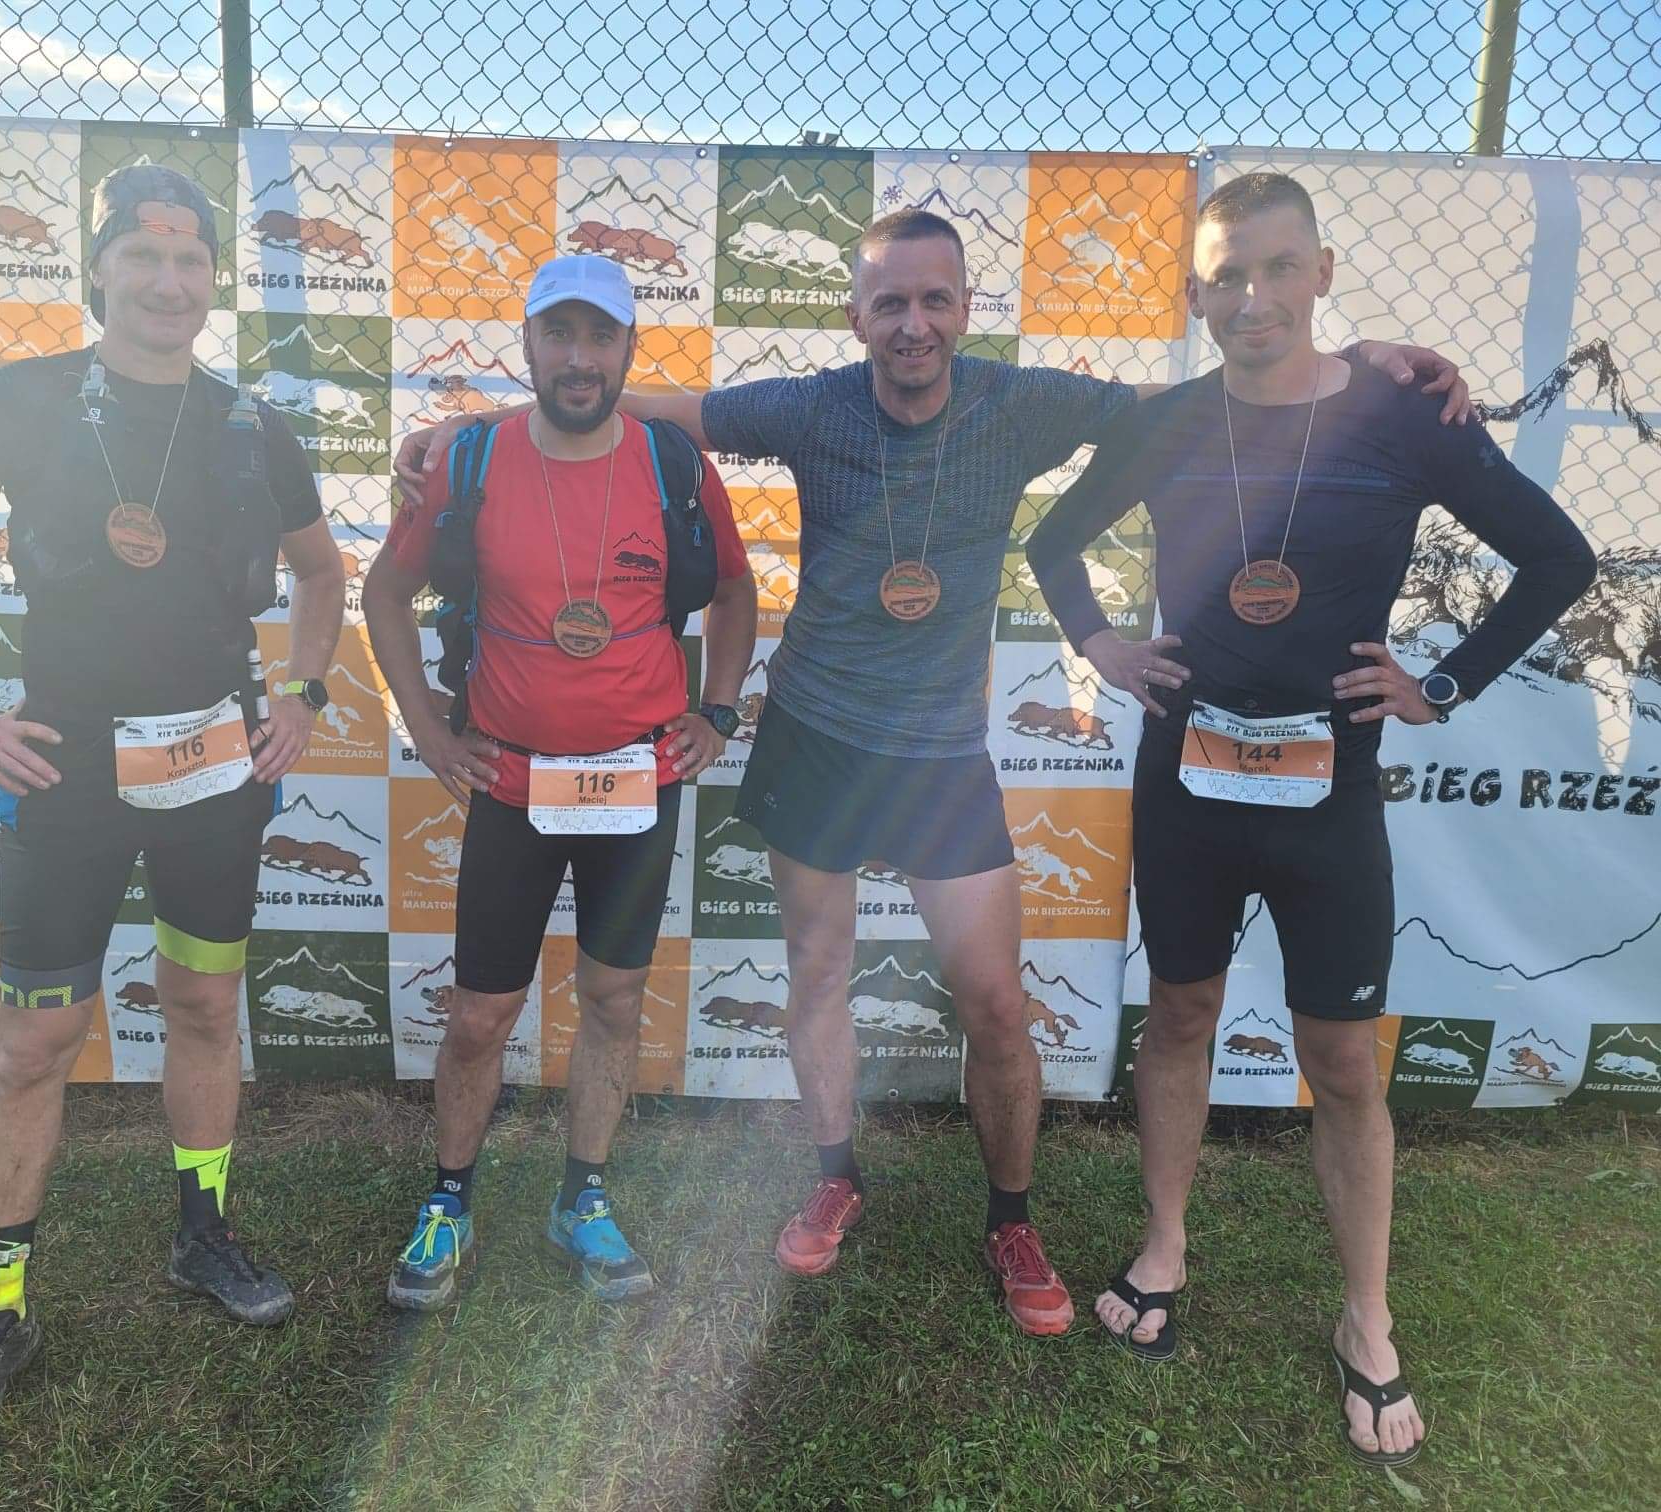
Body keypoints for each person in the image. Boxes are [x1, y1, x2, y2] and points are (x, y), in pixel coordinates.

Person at [397, 208, 1472, 1336]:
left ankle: (1011, 1217)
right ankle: (835, 1175)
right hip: (815, 734)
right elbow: (655, 406)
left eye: (934, 300)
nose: (913, 323)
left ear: (965, 308)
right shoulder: (813, 405)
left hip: (943, 754)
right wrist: (480, 421)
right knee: (818, 974)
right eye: (890, 303)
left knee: (998, 1004)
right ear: (856, 315)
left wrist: (1356, 364)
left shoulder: (1021, 403)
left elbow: (1188, 398)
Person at [1026, 172, 1595, 1465]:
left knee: (1341, 1060)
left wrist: (1443, 683)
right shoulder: (1166, 422)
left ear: (1324, 273)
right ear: (1196, 294)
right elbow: (1055, 543)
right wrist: (1102, 643)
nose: (1254, 298)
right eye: (1227, 275)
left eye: (1280, 267)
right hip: (1186, 780)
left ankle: (1367, 1316)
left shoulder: (1402, 413)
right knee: (1180, 1013)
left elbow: (1557, 556)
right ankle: (1165, 1246)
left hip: (1327, 791)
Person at [0, 164, 347, 1463]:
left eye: (191, 261)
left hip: (214, 770)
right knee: (37, 1040)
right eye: (144, 256)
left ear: (211, 283)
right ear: (99, 271)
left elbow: (322, 573)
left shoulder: (251, 425)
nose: (169, 282)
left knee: (203, 1006)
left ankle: (203, 1234)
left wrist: (302, 695)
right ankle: (1, 1306)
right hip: (65, 771)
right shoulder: (21, 401)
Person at [367, 255, 756, 1309]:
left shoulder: (674, 466)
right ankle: (450, 1198)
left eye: (601, 336)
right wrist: (429, 733)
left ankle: (582, 1194)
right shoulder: (470, 462)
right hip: (513, 784)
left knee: (614, 998)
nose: (580, 359)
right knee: (481, 1014)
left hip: (639, 782)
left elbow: (734, 591)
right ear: (530, 344)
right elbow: (384, 592)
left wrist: (717, 712)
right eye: (560, 334)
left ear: (629, 348)